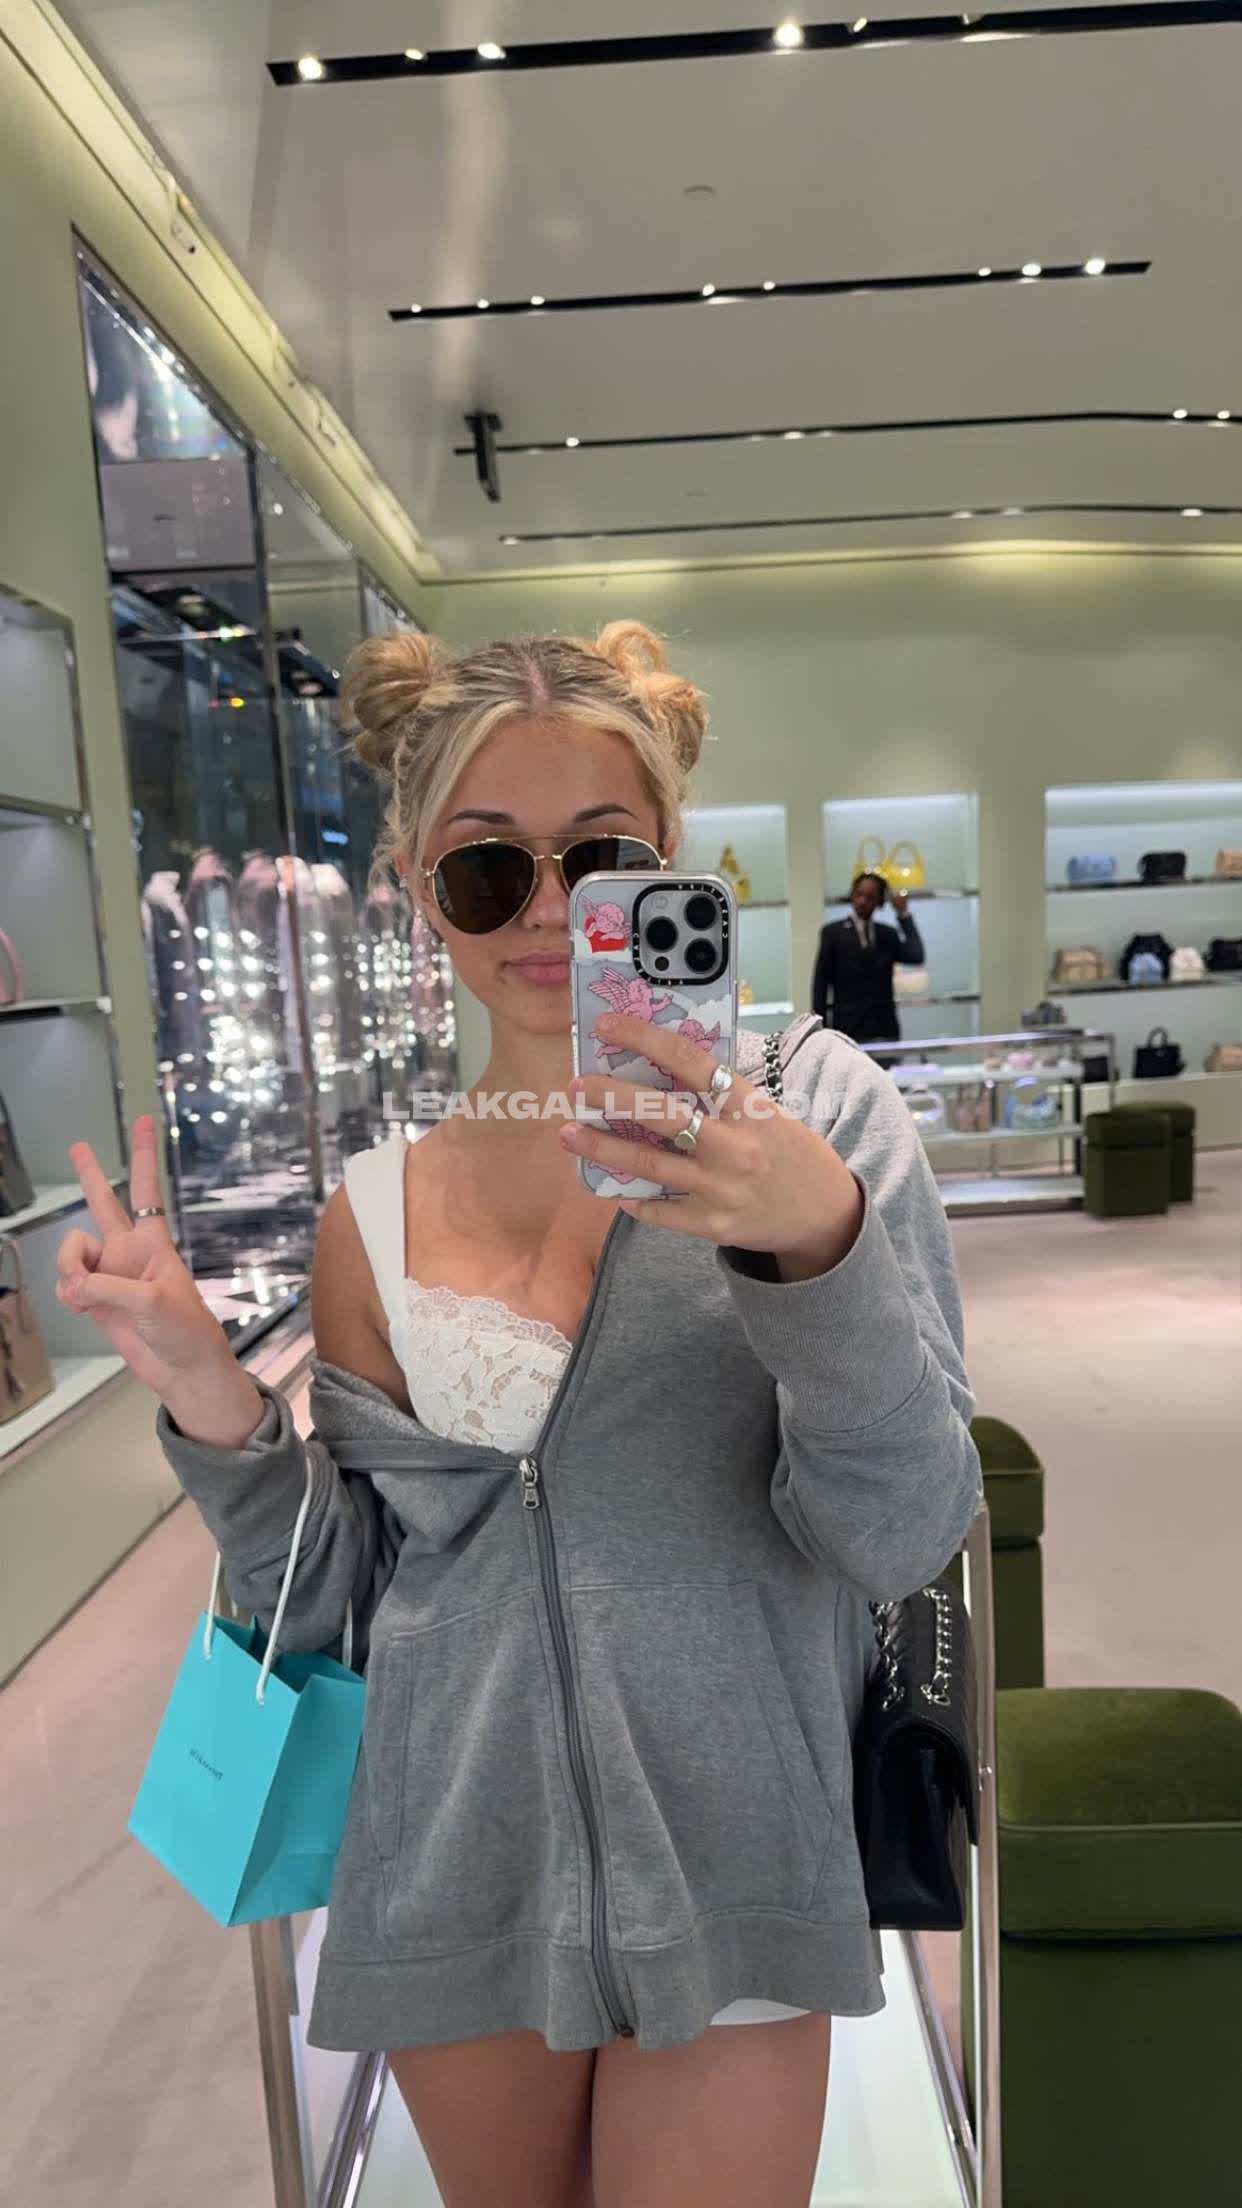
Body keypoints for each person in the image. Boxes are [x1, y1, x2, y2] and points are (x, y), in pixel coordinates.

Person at [58, 622, 981, 2208]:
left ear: (672, 860)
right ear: (421, 890)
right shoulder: (371, 1212)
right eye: (490, 870)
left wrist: (816, 1247)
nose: (549, 912)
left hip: (733, 1843)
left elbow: (897, 1526)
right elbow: (340, 1595)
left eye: (601, 860)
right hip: (452, 1858)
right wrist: (211, 1395)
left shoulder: (818, 1122)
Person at [811, 869, 926, 1044]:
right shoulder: (833, 933)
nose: (862, 901)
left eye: (870, 897)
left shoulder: (887, 934)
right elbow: (820, 984)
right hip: (846, 1028)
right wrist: (822, 1031)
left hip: (884, 1028)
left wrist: (903, 914)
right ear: (852, 895)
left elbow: (916, 955)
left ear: (880, 901)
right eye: (858, 894)